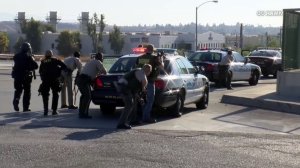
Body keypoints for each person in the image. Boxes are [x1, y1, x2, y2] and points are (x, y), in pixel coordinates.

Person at [115, 64, 152, 129]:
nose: (149, 72)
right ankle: (121, 124)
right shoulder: (141, 71)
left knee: (134, 101)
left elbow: (134, 91)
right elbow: (144, 81)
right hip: (124, 86)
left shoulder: (140, 74)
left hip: (125, 87)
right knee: (129, 104)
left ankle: (133, 120)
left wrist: (140, 98)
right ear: (148, 70)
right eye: (149, 70)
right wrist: (143, 89)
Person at [136, 44, 164, 123]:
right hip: (150, 81)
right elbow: (162, 67)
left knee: (142, 100)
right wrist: (161, 59)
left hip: (140, 81)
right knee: (150, 100)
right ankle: (146, 117)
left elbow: (136, 68)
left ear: (146, 50)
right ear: (152, 50)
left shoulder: (140, 58)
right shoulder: (154, 58)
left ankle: (143, 116)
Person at [76, 52, 107, 119]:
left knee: (84, 96)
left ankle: (81, 113)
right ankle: (83, 114)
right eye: (102, 57)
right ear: (100, 58)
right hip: (84, 80)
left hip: (80, 79)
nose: (102, 59)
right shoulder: (98, 62)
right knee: (88, 97)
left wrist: (97, 73)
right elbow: (104, 72)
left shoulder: (91, 61)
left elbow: (92, 72)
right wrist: (99, 73)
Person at [39, 50, 67, 116]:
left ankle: (45, 110)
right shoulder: (55, 60)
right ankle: (54, 110)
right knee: (55, 94)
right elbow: (64, 66)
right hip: (54, 79)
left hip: (45, 80)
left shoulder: (43, 61)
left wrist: (43, 78)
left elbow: (40, 71)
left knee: (45, 95)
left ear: (45, 55)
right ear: (51, 54)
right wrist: (58, 70)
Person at [12, 42, 38, 112]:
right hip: (26, 76)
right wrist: (32, 58)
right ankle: (25, 107)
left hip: (17, 76)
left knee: (18, 90)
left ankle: (16, 100)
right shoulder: (29, 57)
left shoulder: (16, 56)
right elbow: (36, 66)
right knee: (27, 92)